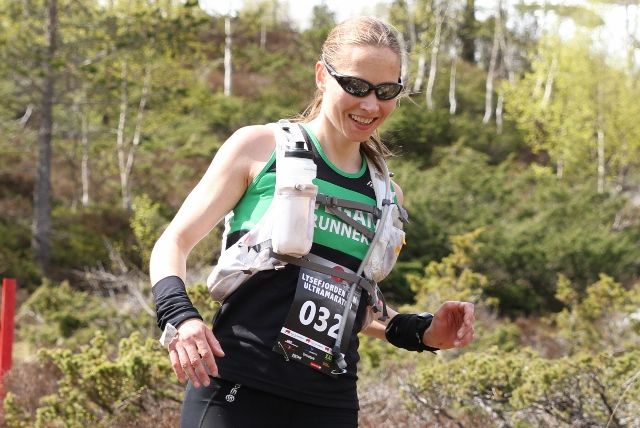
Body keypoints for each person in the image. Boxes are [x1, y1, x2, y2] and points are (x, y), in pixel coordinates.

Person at [150, 16, 475, 428]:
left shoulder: (386, 194)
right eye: (355, 86)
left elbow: (349, 301)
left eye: (386, 91)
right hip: (240, 387)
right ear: (323, 76)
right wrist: (181, 318)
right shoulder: (260, 148)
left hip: (329, 404)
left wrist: (422, 332)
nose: (370, 105)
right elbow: (173, 242)